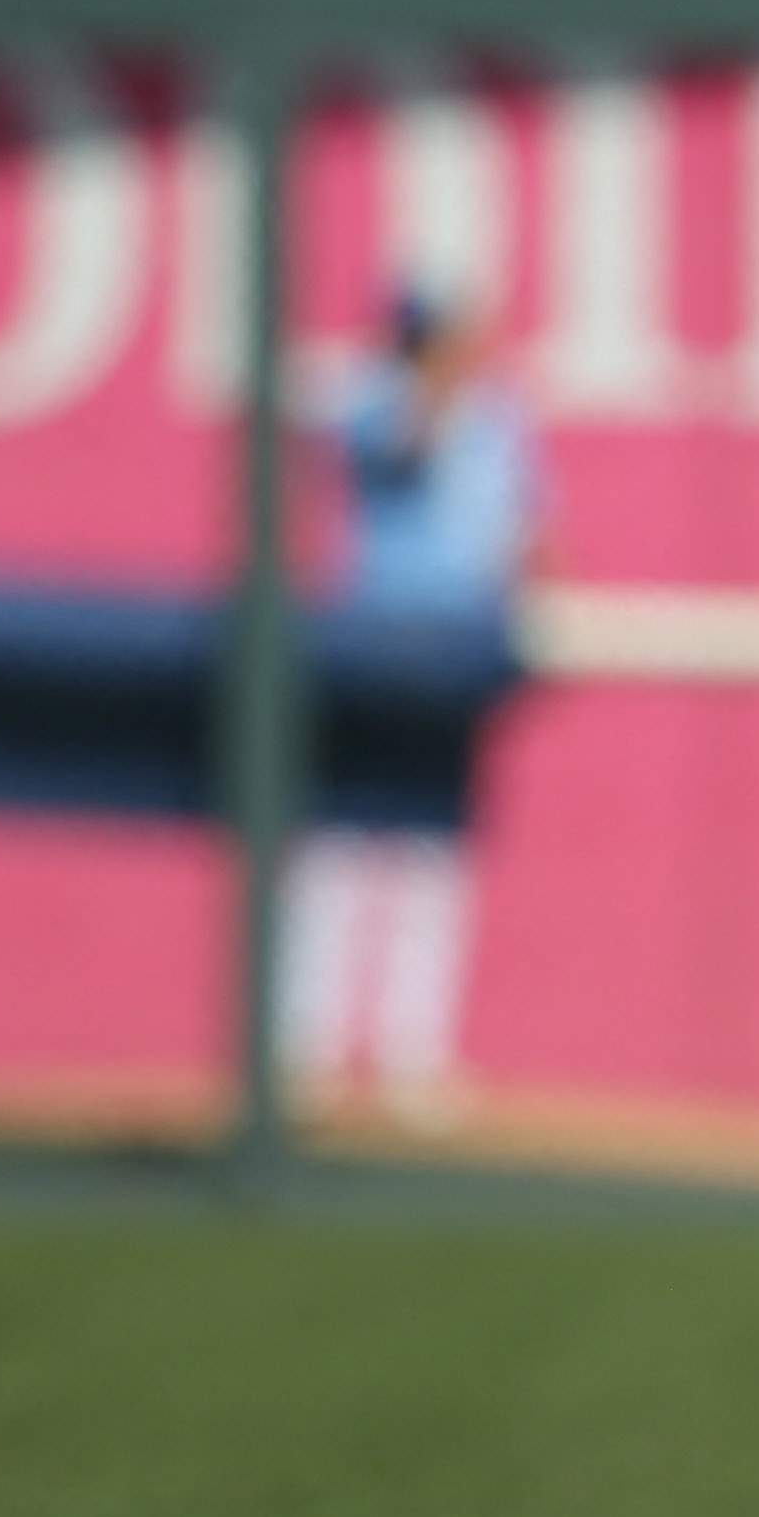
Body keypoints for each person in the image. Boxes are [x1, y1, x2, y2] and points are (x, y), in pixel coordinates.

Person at [284, 289, 541, 1128]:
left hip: (459, 650)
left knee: (434, 855)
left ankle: (410, 1055)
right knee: (341, 846)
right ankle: (305, 1050)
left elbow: (525, 526)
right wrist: (433, 377)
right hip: (373, 641)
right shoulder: (373, 401)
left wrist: (533, 597)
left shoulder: (501, 420)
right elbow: (401, 451)